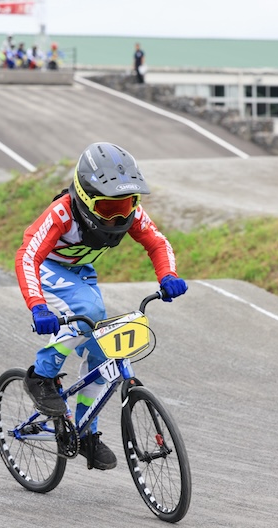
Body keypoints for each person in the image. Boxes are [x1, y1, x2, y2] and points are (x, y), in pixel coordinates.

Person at [14, 142, 188, 470]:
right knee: (88, 316)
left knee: (103, 351)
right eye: (109, 209)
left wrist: (168, 276)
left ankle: (86, 433)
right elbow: (27, 256)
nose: (120, 215)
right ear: (85, 198)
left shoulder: (130, 212)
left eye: (126, 205)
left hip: (81, 273)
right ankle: (41, 375)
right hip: (48, 269)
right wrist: (38, 306)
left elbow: (157, 242)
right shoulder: (62, 214)